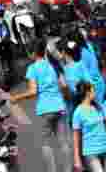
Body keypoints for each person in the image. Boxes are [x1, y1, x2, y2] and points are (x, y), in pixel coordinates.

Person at [11, 38, 71, 172]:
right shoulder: (54, 65)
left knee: (46, 144)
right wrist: (66, 97)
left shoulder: (32, 68)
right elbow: (64, 85)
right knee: (63, 142)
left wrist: (17, 97)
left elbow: (33, 91)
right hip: (60, 106)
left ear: (32, 53)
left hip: (45, 110)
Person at [71, 80, 106, 172]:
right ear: (88, 93)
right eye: (93, 90)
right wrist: (77, 159)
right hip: (91, 152)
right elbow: (76, 138)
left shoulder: (99, 107)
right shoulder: (78, 113)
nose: (95, 93)